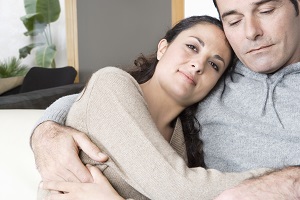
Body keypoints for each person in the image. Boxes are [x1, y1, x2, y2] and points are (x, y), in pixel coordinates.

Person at [32, 0, 300, 199]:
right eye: (233, 20)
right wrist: (46, 130)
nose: (251, 32)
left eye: (266, 11)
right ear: (163, 47)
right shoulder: (231, 67)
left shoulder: (183, 138)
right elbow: (90, 98)